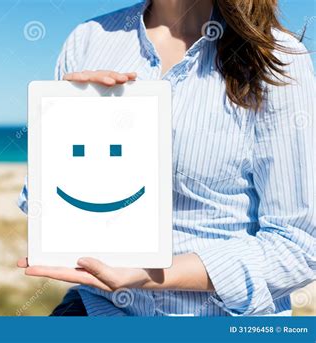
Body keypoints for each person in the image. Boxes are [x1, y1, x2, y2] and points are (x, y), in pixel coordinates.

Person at [17, 0, 315, 316]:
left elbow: (299, 247)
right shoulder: (88, 39)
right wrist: (64, 129)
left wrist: (154, 274)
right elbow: (49, 206)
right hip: (100, 311)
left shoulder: (276, 56)